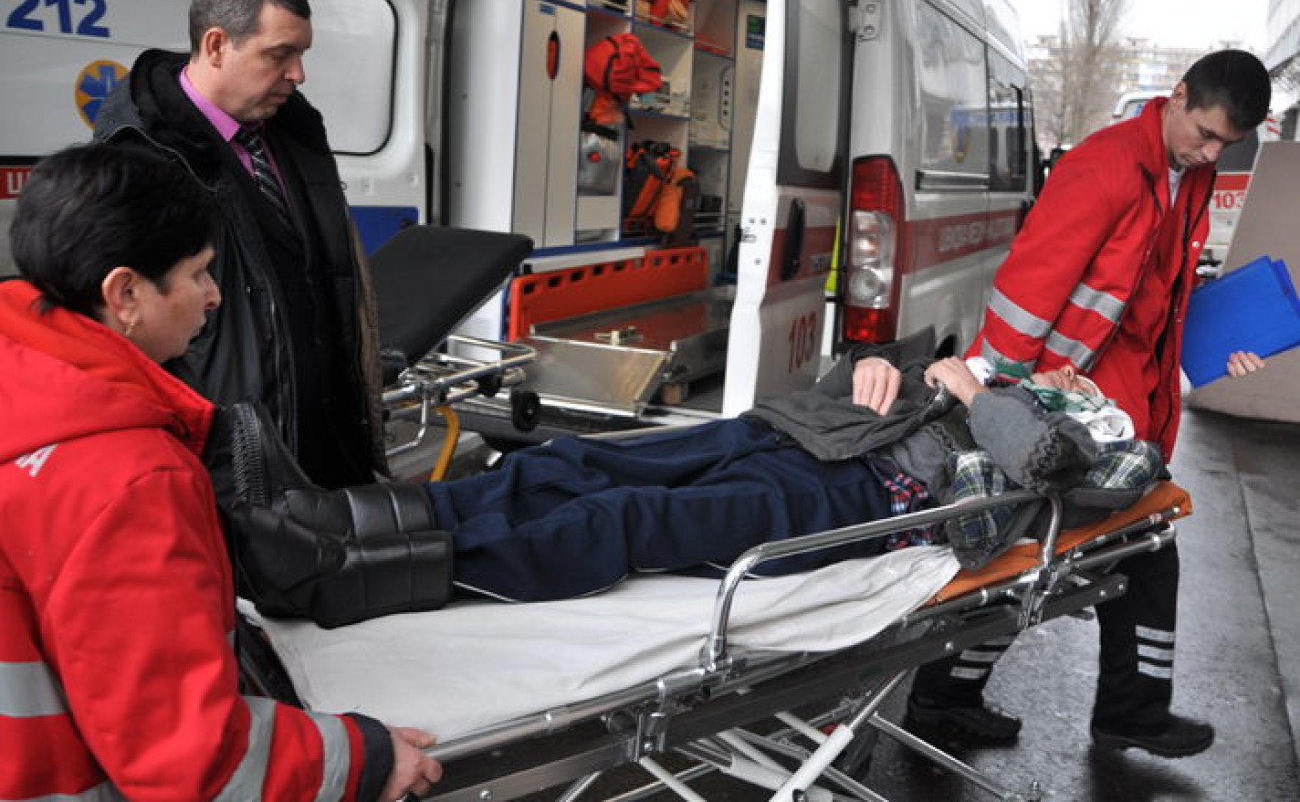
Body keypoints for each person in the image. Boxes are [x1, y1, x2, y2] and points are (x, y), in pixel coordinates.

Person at [0, 142, 442, 801]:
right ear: (124, 293)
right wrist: (364, 758)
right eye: (200, 273)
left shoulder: (26, 392)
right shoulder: (126, 477)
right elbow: (191, 759)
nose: (213, 297)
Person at [904, 49, 1273, 758]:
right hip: (1061, 409)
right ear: (1178, 94)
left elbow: (1159, 300)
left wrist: (1223, 338)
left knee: (1122, 547)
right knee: (1039, 556)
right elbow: (1026, 292)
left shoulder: (1184, 178)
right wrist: (993, 406)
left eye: (1226, 144)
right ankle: (954, 699)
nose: (1209, 153)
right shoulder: (1103, 168)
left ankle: (1104, 708)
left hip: (1124, 404)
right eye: (1204, 133)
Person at [233, 331, 1164, 605]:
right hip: (796, 428)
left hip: (862, 493)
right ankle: (343, 514)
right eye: (1062, 372)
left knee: (624, 522)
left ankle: (349, 576)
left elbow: (1043, 466)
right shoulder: (1008, 376)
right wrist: (881, 357)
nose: (1068, 371)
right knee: (574, 460)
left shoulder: (1088, 435)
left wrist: (969, 389)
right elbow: (888, 353)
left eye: (1079, 377)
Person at [94, 0, 383, 493]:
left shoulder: (296, 129)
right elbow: (125, 343)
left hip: (330, 453)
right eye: (280, 54)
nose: (298, 74)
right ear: (217, 45)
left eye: (301, 54)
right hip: (230, 471)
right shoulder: (143, 160)